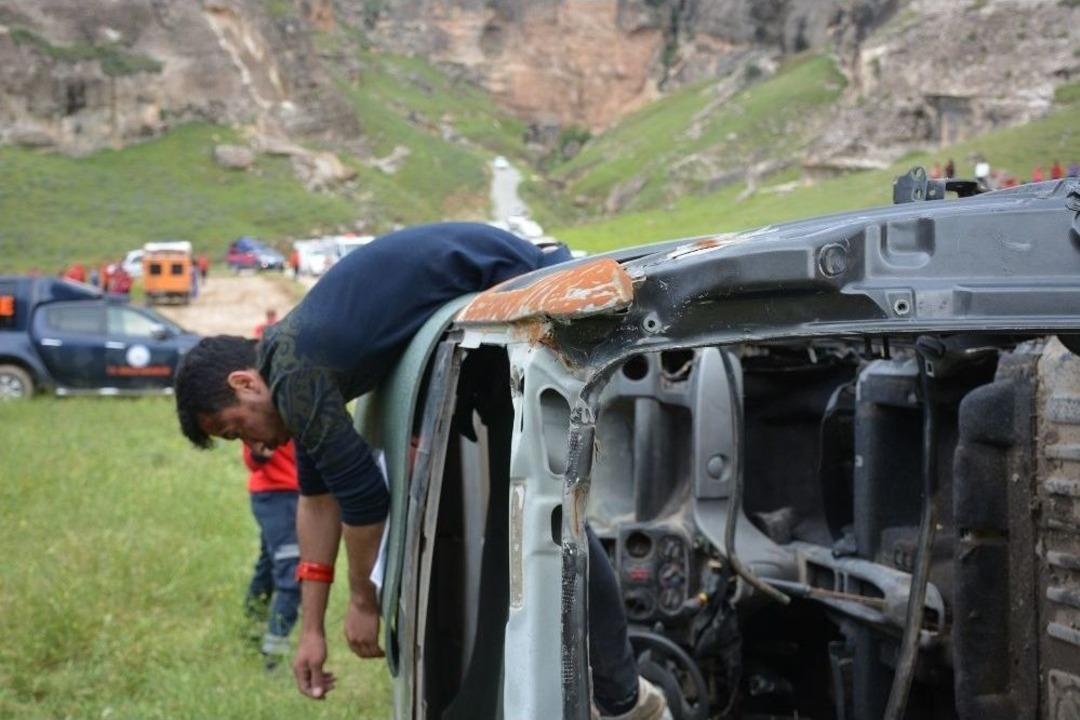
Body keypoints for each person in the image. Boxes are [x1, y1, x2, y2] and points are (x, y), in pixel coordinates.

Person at [174, 223, 669, 719]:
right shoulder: (292, 366)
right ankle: (619, 695)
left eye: (236, 429)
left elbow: (365, 501)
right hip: (513, 289)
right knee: (536, 523)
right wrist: (311, 631)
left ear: (244, 383)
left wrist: (364, 603)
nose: (256, 447)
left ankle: (625, 698)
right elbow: (316, 501)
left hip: (535, 288)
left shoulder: (297, 376)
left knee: (547, 522)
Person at [243, 439, 302, 670]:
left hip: (298, 493)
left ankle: (253, 626)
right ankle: (274, 655)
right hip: (275, 496)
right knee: (292, 574)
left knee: (268, 566)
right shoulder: (263, 407)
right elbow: (252, 459)